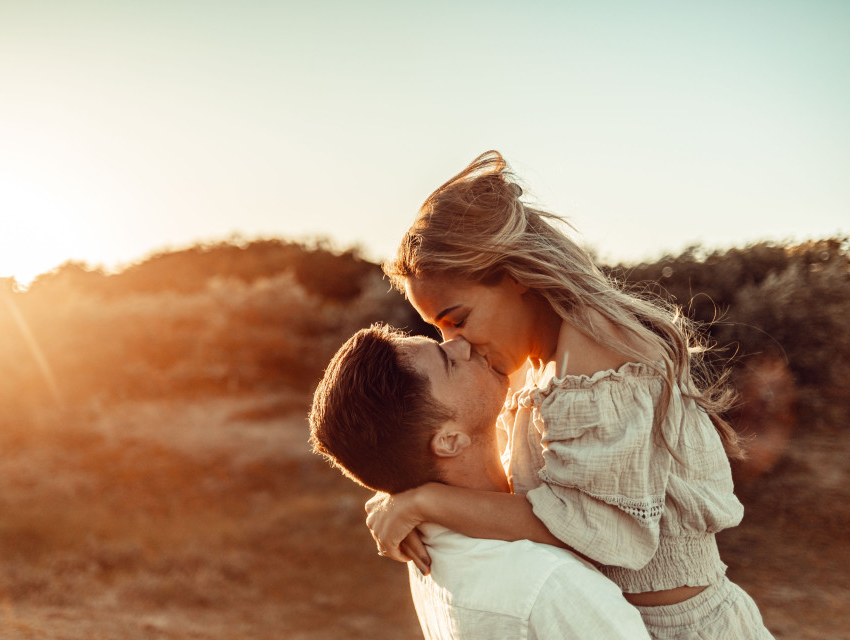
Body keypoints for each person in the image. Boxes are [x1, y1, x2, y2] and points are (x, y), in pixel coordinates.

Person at [364, 151, 774, 639]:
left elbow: (596, 532)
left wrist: (426, 502)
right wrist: (405, 494)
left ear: (515, 276)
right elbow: (527, 501)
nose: (456, 344)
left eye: (458, 318)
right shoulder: (531, 365)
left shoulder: (596, 352)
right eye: (438, 329)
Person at [309, 324, 651, 639]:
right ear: (449, 440)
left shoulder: (427, 545)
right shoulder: (550, 584)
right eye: (447, 360)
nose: (459, 343)